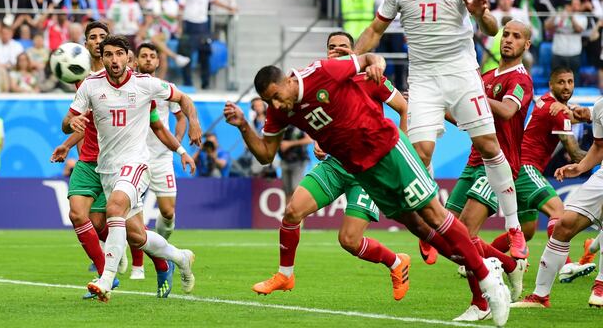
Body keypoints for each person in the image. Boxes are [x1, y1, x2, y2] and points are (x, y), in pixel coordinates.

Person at [225, 53, 512, 326]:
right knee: (420, 229)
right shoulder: (281, 112)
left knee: (434, 215)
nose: (275, 105)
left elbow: (372, 60)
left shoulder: (323, 71)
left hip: (389, 150)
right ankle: (487, 268)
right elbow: (265, 154)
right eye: (268, 101)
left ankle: (487, 280)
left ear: (289, 80)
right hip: (363, 170)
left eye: (276, 96)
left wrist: (376, 64)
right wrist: (242, 127)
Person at [354, 0, 529, 259]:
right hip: (423, 78)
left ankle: (514, 227)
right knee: (420, 153)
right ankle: (431, 222)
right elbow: (374, 30)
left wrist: (479, 14)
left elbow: (491, 28)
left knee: (489, 145)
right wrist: (350, 63)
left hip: (461, 73)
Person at [251, 31, 415, 301]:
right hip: (336, 164)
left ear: (354, 51)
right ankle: (285, 274)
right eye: (331, 47)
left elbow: (402, 106)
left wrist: (401, 150)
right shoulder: (317, 80)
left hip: (369, 169)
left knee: (349, 240)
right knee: (292, 212)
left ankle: (397, 262)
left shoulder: (368, 77)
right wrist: (319, 140)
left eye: (343, 46)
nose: (336, 50)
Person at [51, 22, 198, 299]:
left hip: (136, 164)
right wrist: (73, 124)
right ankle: (180, 258)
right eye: (108, 54)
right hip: (105, 167)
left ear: (127, 57)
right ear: (101, 57)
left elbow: (183, 98)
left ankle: (106, 278)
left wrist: (192, 122)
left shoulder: (146, 84)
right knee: (137, 236)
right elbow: (67, 122)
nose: (114, 59)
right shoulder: (90, 87)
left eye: (119, 54)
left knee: (115, 208)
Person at [444, 20, 533, 322]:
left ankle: (480, 303)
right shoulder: (487, 76)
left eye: (516, 36)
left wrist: (474, 97)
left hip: (499, 164)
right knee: (444, 235)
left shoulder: (520, 80)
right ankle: (509, 264)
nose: (508, 39)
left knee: (466, 233)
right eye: (505, 34)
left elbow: (508, 111)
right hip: (472, 161)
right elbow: (464, 117)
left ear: (526, 45)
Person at [489, 67, 594, 285]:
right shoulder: (554, 111)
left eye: (570, 82)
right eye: (561, 82)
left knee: (525, 231)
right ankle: (566, 265)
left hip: (514, 168)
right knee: (558, 210)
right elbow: (575, 154)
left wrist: (581, 115)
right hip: (526, 167)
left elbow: (573, 116)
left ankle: (479, 259)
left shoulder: (550, 105)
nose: (566, 87)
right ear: (551, 85)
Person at [511, 97, 603, 309]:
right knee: (564, 224)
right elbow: (599, 146)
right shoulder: (599, 106)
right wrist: (580, 168)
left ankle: (600, 285)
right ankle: (540, 297)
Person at [129, 42, 191, 280]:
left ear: (157, 62)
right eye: (143, 56)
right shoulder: (130, 86)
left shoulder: (166, 90)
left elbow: (181, 117)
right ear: (136, 61)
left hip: (162, 157)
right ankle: (138, 267)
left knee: (167, 212)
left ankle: (162, 250)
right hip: (135, 157)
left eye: (151, 56)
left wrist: (176, 142)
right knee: (135, 212)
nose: (147, 59)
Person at [278, 126, 311, 200]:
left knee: (296, 190)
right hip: (284, 161)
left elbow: (309, 139)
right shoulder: (282, 122)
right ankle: (287, 211)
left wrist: (290, 144)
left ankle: (299, 211)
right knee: (287, 192)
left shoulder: (301, 121)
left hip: (299, 161)